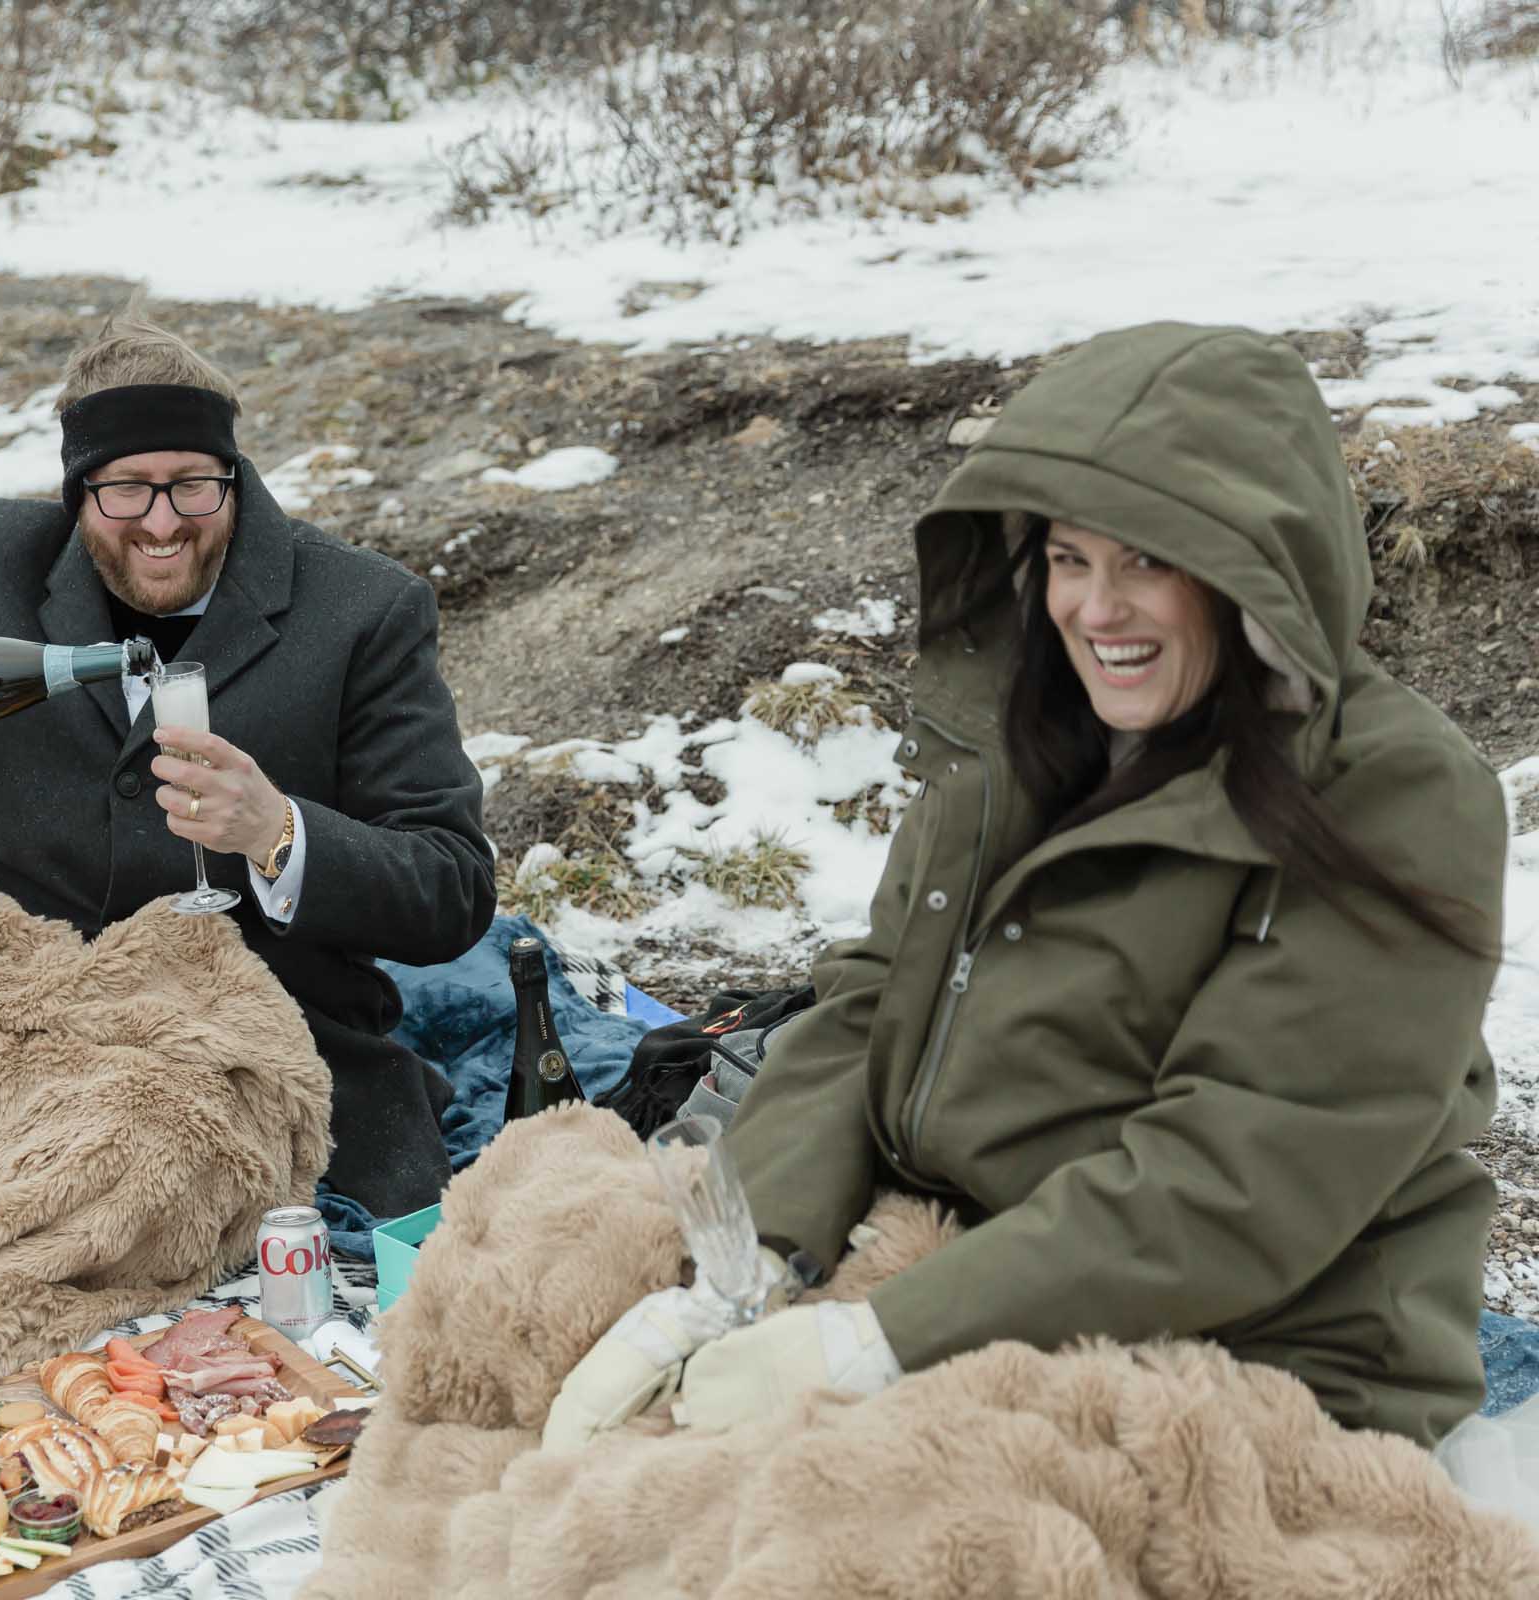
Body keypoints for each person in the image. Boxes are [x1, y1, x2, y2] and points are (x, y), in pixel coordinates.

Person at [547, 321, 1506, 1452]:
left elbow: (1230, 1175)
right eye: (1067, 558)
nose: (1097, 611)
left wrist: (874, 1345)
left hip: (1268, 1355)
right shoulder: (1024, 743)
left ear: (1255, 571)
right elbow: (868, 1004)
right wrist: (744, 1259)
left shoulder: (1393, 795)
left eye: (1147, 560)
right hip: (968, 1268)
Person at [0, 314, 495, 1218]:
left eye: (193, 487)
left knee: (107, 1197)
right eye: (126, 491)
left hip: (240, 1026)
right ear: (78, 493)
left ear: (233, 476)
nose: (161, 524)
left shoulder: (362, 607)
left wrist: (279, 833)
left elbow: (452, 887)